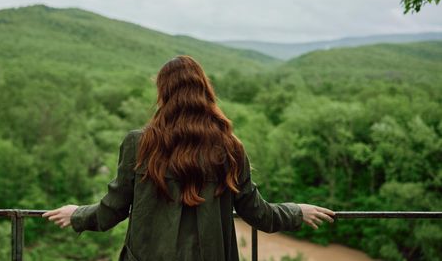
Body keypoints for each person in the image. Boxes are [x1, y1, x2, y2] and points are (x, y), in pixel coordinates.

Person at [43, 55, 335, 261]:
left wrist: (77, 214)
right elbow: (257, 212)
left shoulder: (139, 142)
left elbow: (114, 209)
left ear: (163, 93)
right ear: (204, 91)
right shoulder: (229, 147)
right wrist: (297, 212)